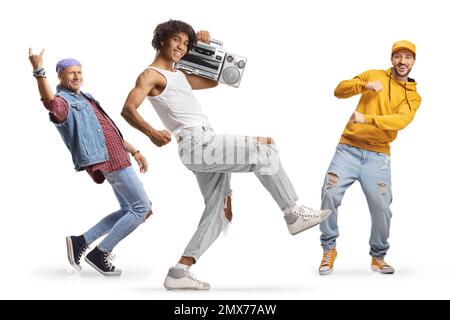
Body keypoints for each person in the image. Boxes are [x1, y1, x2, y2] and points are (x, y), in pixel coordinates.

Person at [120, 19, 331, 289]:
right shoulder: (150, 75)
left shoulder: (179, 75)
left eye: (186, 43)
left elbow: (216, 80)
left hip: (204, 142)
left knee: (219, 213)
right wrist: (151, 132)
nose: (181, 47)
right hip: (197, 143)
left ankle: (179, 272)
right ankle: (293, 212)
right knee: (263, 147)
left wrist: (202, 45)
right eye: (177, 41)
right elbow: (128, 109)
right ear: (162, 39)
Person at [29, 49, 153, 276]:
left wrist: (135, 151)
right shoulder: (64, 102)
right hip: (110, 161)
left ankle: (80, 242)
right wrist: (38, 70)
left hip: (119, 155)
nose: (77, 77)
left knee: (129, 209)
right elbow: (49, 102)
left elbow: (106, 132)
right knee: (142, 209)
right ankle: (101, 252)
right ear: (60, 77)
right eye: (71, 73)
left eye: (79, 72)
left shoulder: (85, 98)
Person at [318, 40, 421, 275]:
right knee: (329, 193)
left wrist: (368, 119)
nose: (402, 61)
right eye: (398, 56)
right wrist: (364, 85)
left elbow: (401, 121)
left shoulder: (413, 97)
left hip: (378, 156)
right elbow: (339, 90)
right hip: (348, 150)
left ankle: (378, 256)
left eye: (407, 57)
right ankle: (329, 248)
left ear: (413, 62)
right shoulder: (373, 75)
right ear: (392, 59)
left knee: (381, 207)